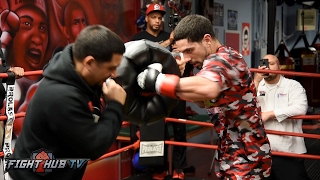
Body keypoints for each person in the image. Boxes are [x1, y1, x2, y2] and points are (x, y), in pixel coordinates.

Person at [137, 14, 272, 179]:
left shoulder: (224, 59)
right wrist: (179, 78)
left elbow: (209, 89)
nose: (187, 58)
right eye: (183, 53)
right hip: (231, 151)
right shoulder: (211, 63)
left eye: (190, 50)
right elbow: (203, 101)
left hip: (247, 156)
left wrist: (158, 81)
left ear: (207, 40)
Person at [8, 25, 127, 180]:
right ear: (89, 63)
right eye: (111, 68)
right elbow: (94, 146)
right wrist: (115, 105)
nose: (114, 74)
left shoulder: (75, 73)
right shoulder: (62, 97)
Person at [131, 3, 187, 180]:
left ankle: (179, 167)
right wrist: (169, 42)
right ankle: (158, 168)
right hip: (151, 90)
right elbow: (146, 54)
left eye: (159, 17)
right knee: (156, 130)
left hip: (172, 86)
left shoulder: (171, 37)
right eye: (153, 17)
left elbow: (181, 58)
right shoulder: (138, 38)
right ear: (146, 18)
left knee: (179, 127)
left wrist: (180, 51)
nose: (157, 20)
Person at [254, 54, 310, 180]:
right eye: (264, 63)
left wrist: (269, 114)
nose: (267, 67)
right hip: (261, 150)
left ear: (280, 67)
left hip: (289, 150)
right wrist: (256, 80)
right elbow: (245, 106)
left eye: (271, 64)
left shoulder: (293, 85)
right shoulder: (256, 86)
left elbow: (300, 108)